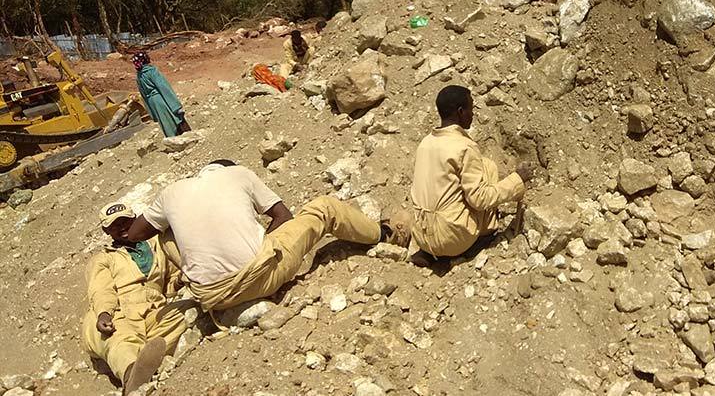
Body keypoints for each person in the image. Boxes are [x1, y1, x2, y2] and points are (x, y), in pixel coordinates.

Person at [125, 160, 408, 311]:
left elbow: (135, 233)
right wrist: (262, 239)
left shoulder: (172, 191)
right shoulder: (239, 174)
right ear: (227, 168)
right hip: (262, 278)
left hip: (211, 298)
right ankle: (384, 234)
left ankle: (203, 275)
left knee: (164, 235)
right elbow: (284, 217)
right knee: (325, 208)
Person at [409, 85, 532, 258]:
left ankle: (428, 253)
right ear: (460, 112)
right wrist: (517, 179)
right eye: (471, 109)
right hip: (451, 240)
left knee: (477, 169)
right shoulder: (464, 147)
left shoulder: (425, 143)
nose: (473, 114)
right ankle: (482, 237)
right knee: (488, 168)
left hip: (421, 234)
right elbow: (479, 199)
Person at [82, 203, 187, 395]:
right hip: (119, 310)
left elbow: (170, 282)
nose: (122, 227)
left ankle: (149, 361)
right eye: (115, 225)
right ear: (106, 230)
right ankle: (132, 375)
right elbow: (101, 289)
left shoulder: (157, 245)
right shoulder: (104, 259)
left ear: (135, 219)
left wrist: (180, 281)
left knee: (186, 313)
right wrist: (104, 313)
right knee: (117, 338)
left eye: (126, 221)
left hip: (154, 310)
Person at [132, 52, 190, 137]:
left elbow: (143, 95)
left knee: (165, 123)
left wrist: (152, 113)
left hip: (153, 103)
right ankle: (185, 138)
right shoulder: (152, 71)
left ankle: (172, 140)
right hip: (161, 99)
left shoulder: (139, 76)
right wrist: (176, 106)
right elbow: (163, 87)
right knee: (175, 118)